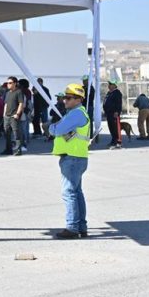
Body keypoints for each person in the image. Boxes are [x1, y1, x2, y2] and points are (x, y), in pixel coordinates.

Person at [47, 83, 92, 239]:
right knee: (76, 192)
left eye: (68, 98)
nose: (64, 100)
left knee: (69, 193)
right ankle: (81, 227)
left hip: (72, 158)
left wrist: (52, 127)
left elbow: (58, 130)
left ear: (78, 99)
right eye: (64, 97)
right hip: (77, 157)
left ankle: (72, 228)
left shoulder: (76, 114)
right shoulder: (77, 113)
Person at [0, 76, 25, 156]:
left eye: (10, 83)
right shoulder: (8, 93)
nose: (8, 84)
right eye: (7, 83)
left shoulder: (19, 92)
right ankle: (8, 149)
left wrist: (17, 114)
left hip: (14, 116)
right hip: (7, 116)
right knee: (7, 134)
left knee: (16, 133)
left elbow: (21, 103)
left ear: (15, 83)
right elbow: (6, 104)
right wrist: (4, 114)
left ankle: (18, 150)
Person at [103, 79, 124, 149]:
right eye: (109, 84)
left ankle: (118, 142)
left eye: (110, 84)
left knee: (116, 128)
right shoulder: (109, 93)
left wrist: (117, 111)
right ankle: (113, 141)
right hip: (109, 113)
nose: (109, 85)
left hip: (114, 113)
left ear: (114, 85)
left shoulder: (117, 93)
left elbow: (119, 103)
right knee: (111, 128)